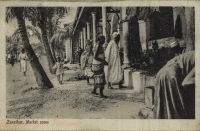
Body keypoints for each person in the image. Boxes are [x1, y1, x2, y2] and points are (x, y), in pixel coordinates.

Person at [153, 50, 195, 119]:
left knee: (163, 110)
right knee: (177, 112)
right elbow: (187, 82)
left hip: (162, 73)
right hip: (171, 75)